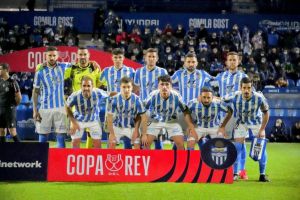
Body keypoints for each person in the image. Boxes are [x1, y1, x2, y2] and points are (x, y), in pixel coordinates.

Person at [223, 77, 270, 182]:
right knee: (237, 147)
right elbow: (220, 99)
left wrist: (262, 129)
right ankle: (235, 173)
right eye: (244, 88)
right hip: (242, 123)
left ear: (252, 87)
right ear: (240, 88)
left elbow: (266, 113)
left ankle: (262, 174)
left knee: (260, 148)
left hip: (256, 123)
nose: (246, 90)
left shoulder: (259, 97)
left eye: (249, 88)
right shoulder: (235, 95)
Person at [212, 51, 248, 179]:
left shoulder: (244, 77)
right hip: (224, 115)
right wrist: (214, 97)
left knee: (240, 143)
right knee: (225, 142)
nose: (232, 62)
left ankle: (241, 171)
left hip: (239, 114)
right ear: (226, 62)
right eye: (230, 60)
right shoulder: (220, 77)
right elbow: (209, 88)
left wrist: (223, 98)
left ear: (238, 61)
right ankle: (227, 168)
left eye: (234, 60)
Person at [64, 46, 105, 148]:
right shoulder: (71, 69)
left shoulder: (94, 68)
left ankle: (89, 158)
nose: (82, 57)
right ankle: (76, 160)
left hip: (92, 109)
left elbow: (101, 85)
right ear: (77, 56)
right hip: (76, 109)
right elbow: (64, 86)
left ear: (88, 55)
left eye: (85, 54)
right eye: (80, 54)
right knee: (76, 137)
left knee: (91, 135)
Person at [143, 75, 196, 150]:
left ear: (171, 86)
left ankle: (180, 161)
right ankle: (147, 161)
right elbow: (142, 111)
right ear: (158, 86)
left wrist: (190, 126)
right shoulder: (153, 95)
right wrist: (144, 132)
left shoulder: (176, 96)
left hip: (172, 121)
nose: (164, 87)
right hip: (155, 121)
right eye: (162, 84)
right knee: (145, 143)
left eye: (167, 84)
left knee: (180, 144)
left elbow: (186, 111)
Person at [32, 46, 69, 148]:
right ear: (45, 56)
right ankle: (41, 161)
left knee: (61, 136)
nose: (52, 58)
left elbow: (79, 65)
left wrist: (93, 62)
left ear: (57, 56)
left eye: (54, 55)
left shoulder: (64, 66)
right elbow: (35, 92)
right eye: (50, 55)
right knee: (43, 136)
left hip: (60, 108)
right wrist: (35, 110)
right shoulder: (40, 72)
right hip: (44, 108)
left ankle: (60, 162)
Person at [134, 48, 168, 149]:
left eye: (153, 56)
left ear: (157, 58)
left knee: (158, 137)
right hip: (143, 109)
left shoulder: (162, 71)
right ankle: (146, 162)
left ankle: (160, 162)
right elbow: (136, 89)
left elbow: (167, 89)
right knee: (143, 138)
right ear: (145, 58)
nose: (151, 58)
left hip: (158, 108)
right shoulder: (138, 72)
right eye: (149, 56)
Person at [66, 76, 108, 148]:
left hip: (94, 120)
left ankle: (97, 158)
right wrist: (73, 122)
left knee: (97, 143)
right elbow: (67, 107)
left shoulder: (98, 92)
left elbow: (109, 94)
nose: (86, 88)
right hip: (79, 120)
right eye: (84, 86)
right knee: (75, 142)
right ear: (81, 86)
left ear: (92, 86)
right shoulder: (75, 96)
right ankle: (76, 158)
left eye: (88, 86)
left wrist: (121, 94)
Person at [106, 77, 147, 149]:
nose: (126, 89)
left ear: (132, 88)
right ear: (120, 87)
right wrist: (112, 134)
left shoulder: (137, 100)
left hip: (132, 128)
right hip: (117, 127)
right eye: (124, 87)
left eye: (128, 87)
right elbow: (109, 118)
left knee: (137, 146)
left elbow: (144, 118)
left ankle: (137, 160)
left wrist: (143, 134)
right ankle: (110, 159)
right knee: (112, 143)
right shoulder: (114, 99)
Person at [0, 63, 21, 143]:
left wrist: (13, 106)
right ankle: (3, 152)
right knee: (1, 131)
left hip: (10, 110)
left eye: (0, 69)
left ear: (6, 70)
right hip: (1, 109)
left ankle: (22, 151)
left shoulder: (13, 82)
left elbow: (19, 97)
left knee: (12, 131)